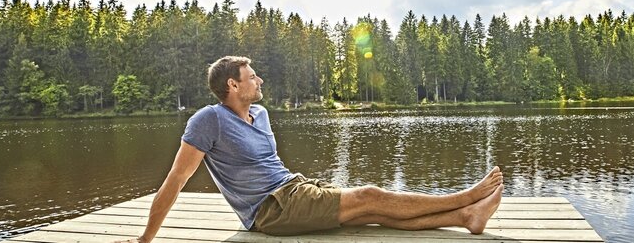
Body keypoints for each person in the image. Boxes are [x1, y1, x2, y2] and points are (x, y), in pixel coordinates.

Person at [127, 56, 503, 242]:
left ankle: (465, 218)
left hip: (294, 188)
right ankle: (464, 197)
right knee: (370, 195)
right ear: (233, 85)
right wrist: (146, 240)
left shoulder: (260, 113)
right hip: (270, 209)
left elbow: (271, 164)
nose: (259, 79)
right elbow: (175, 180)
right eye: (251, 76)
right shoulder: (208, 120)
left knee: (370, 214)